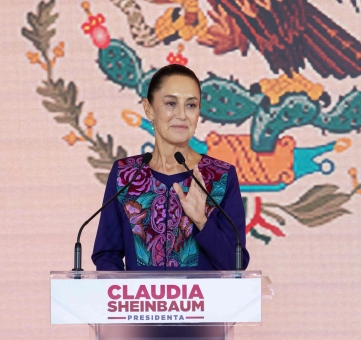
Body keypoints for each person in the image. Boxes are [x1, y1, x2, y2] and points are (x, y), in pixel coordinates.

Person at [91, 64, 250, 271]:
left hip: (203, 303)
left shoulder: (219, 176)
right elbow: (106, 254)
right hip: (138, 302)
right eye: (171, 103)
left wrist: (202, 221)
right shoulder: (126, 175)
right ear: (149, 109)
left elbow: (236, 264)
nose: (182, 115)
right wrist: (125, 297)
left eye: (191, 105)